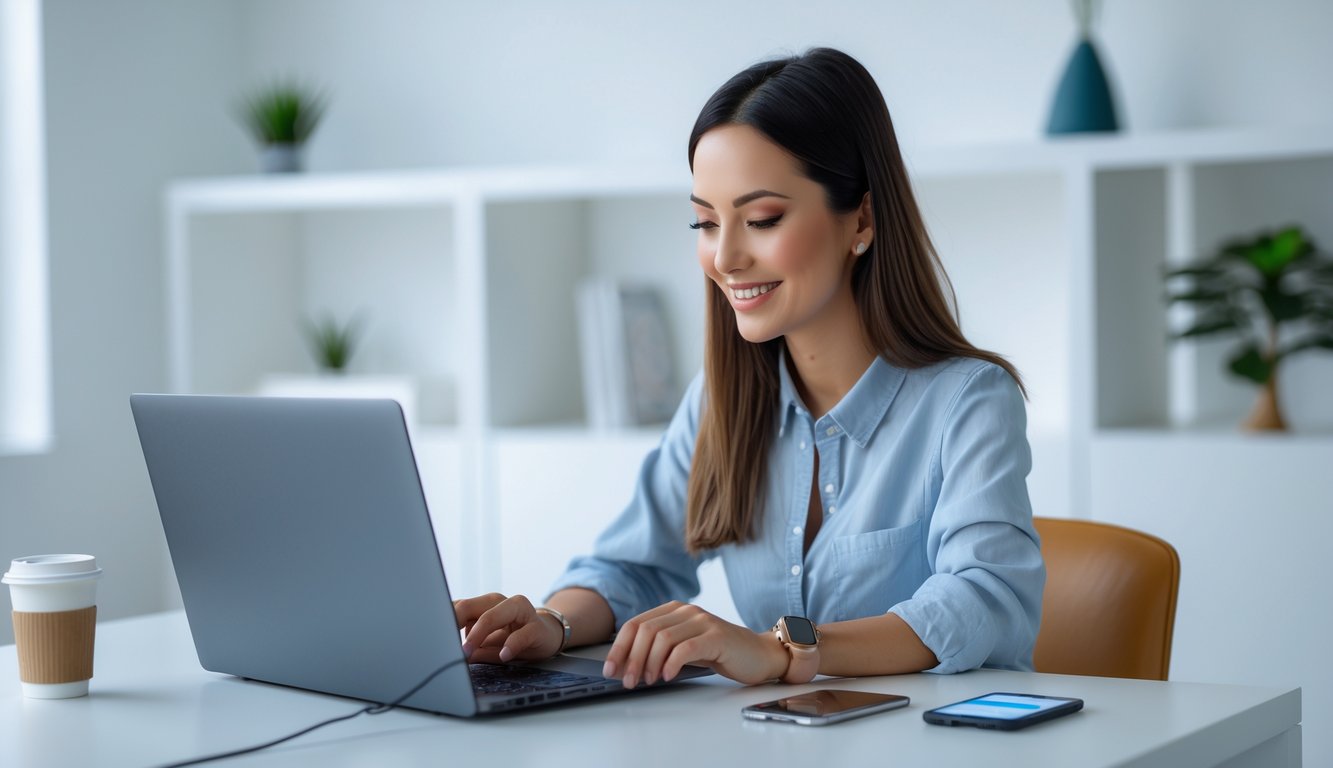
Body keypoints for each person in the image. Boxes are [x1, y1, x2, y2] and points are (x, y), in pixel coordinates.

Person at [455, 47, 1044, 689]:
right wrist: (551, 624)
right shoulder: (720, 400)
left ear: (863, 219)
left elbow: (986, 599)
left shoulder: (969, 401)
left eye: (762, 219)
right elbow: (631, 568)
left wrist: (785, 650)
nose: (726, 257)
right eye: (706, 222)